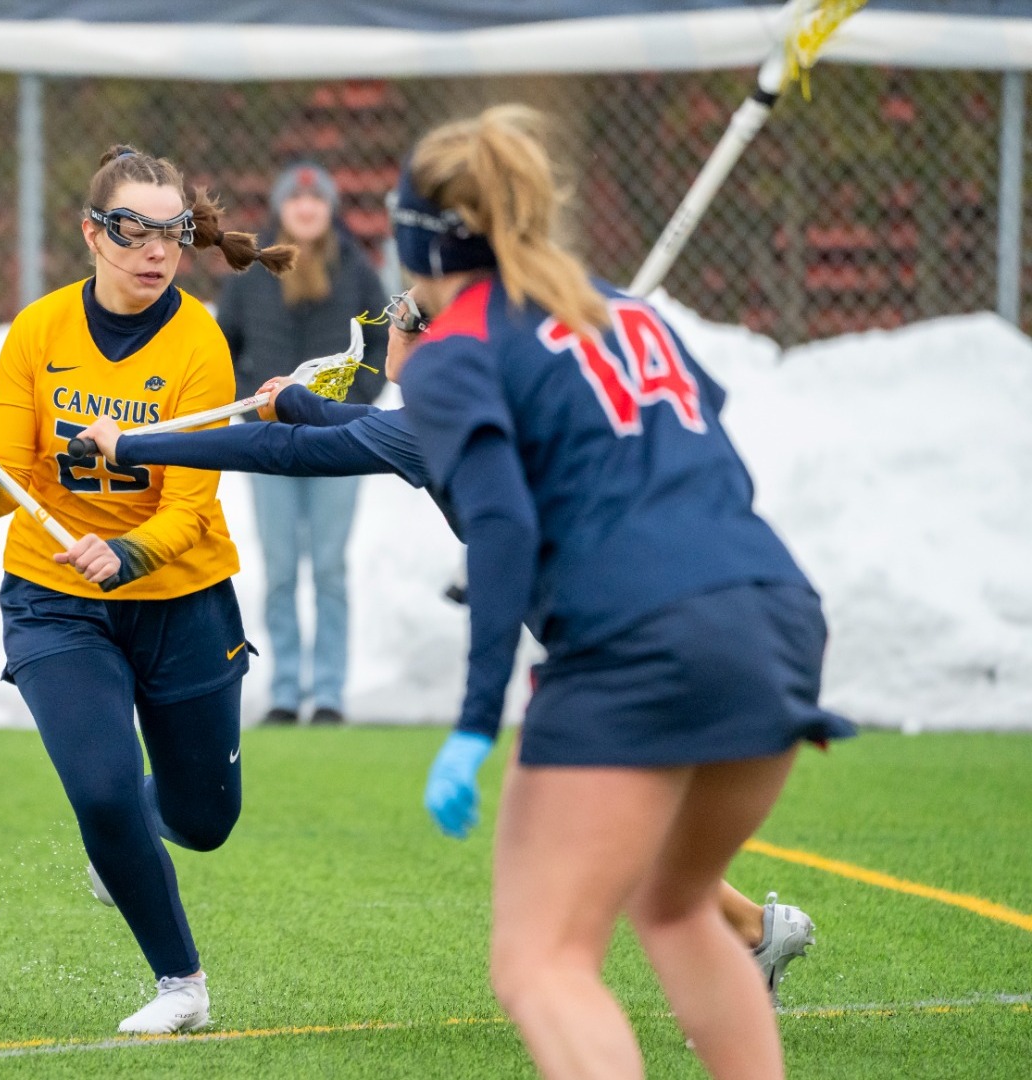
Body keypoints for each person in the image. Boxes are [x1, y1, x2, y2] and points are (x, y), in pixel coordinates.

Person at [77, 105, 854, 1076]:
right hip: (776, 617)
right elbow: (372, 438)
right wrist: (307, 403)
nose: (397, 325)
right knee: (673, 906)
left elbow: (495, 530)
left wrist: (478, 720)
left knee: (542, 963)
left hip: (636, 647)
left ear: (418, 246)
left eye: (403, 310)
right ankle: (756, 934)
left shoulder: (459, 360)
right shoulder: (620, 311)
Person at [0, 145, 294, 1035]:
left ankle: (134, 844)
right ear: (92, 232)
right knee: (103, 790)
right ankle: (181, 985)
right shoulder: (38, 332)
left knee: (203, 819)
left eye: (170, 232)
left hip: (181, 599)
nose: (154, 250)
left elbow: (191, 510)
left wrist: (127, 557)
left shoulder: (197, 340)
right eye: (132, 230)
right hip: (53, 600)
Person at [217, 163, 390, 726]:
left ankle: (330, 694)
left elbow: (382, 345)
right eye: (296, 200)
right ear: (281, 207)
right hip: (266, 440)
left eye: (317, 201)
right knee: (282, 567)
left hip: (338, 441)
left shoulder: (358, 272)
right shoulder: (252, 271)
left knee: (331, 568)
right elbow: (225, 347)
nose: (307, 209)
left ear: (330, 209)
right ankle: (287, 691)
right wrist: (250, 403)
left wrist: (352, 406)